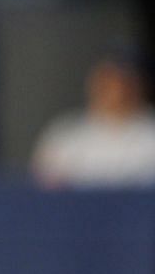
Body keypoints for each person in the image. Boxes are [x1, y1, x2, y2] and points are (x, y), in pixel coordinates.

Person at [32, 51, 155, 188]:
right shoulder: (65, 134)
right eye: (106, 82)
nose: (116, 90)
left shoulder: (150, 133)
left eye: (124, 82)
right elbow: (45, 188)